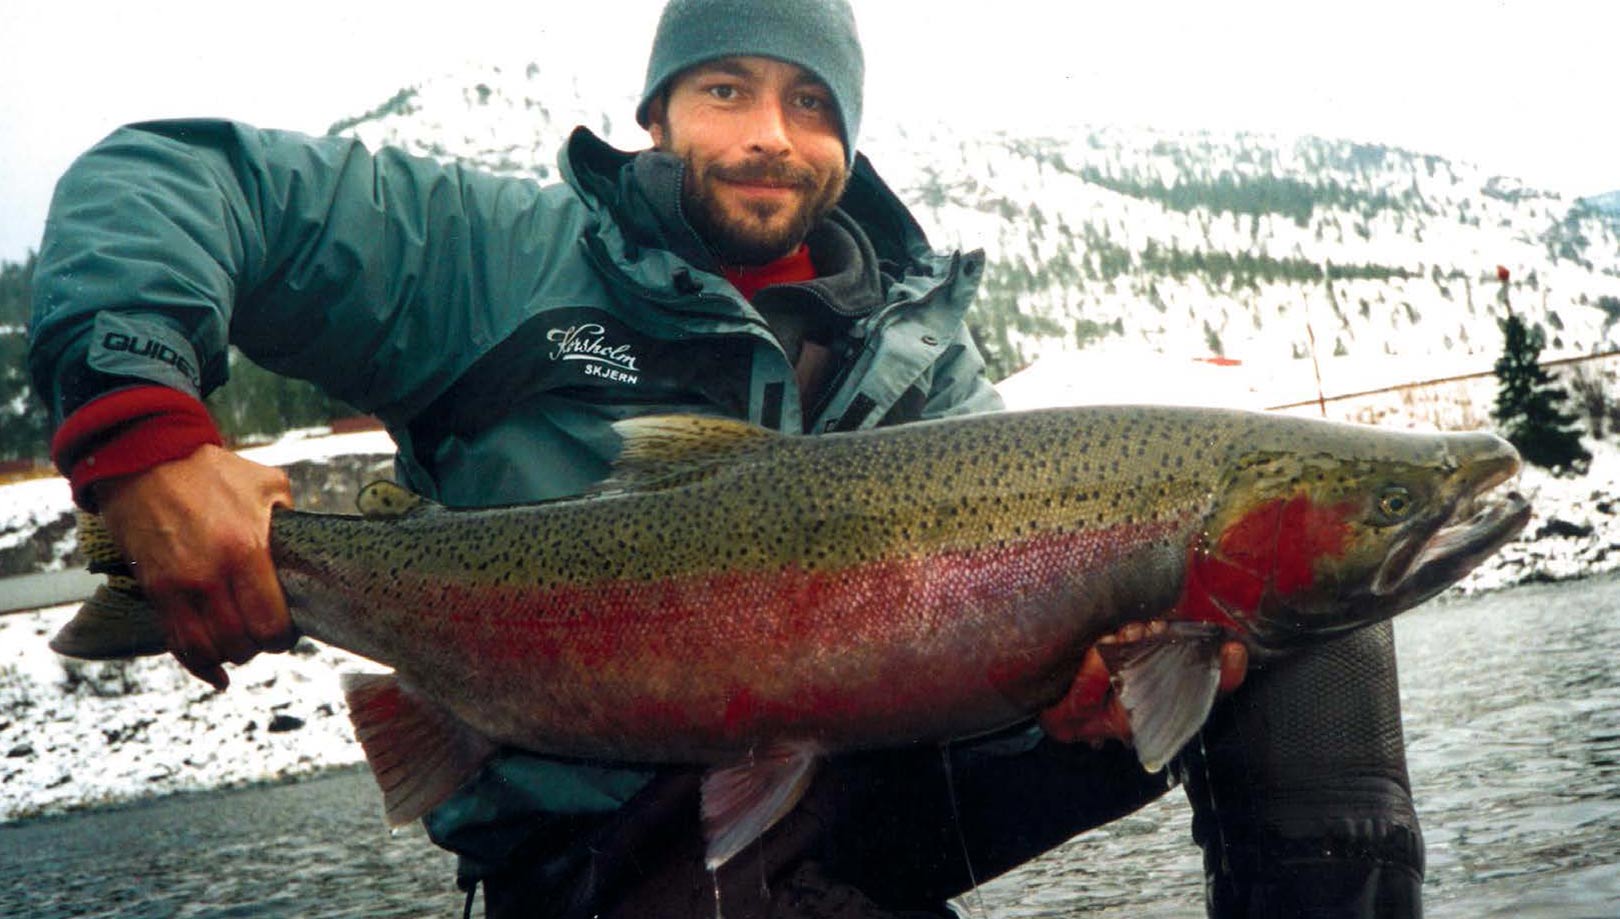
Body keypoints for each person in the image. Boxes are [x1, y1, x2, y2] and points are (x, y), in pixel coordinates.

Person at [26, 1, 1424, 915]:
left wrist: (1109, 683)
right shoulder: (483, 256)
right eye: (725, 88)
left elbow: (1035, 638)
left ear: (849, 140)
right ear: (656, 112)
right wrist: (143, 435)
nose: (771, 134)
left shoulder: (921, 359)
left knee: (1314, 638)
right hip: (592, 834)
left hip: (866, 806)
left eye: (813, 105)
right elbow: (164, 174)